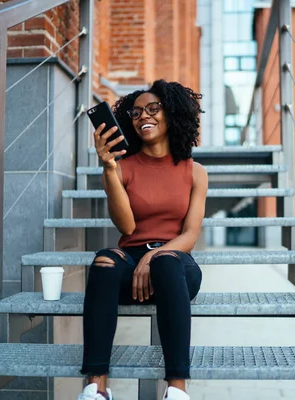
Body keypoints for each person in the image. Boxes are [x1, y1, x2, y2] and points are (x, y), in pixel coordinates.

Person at [77, 80, 208, 400]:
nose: (143, 116)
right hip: (129, 263)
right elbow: (126, 226)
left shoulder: (195, 171)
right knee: (105, 260)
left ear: (173, 114)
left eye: (153, 109)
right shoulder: (122, 168)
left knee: (164, 261)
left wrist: (155, 255)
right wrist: (108, 167)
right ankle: (97, 387)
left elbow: (189, 236)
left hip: (175, 264)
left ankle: (177, 389)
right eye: (135, 112)